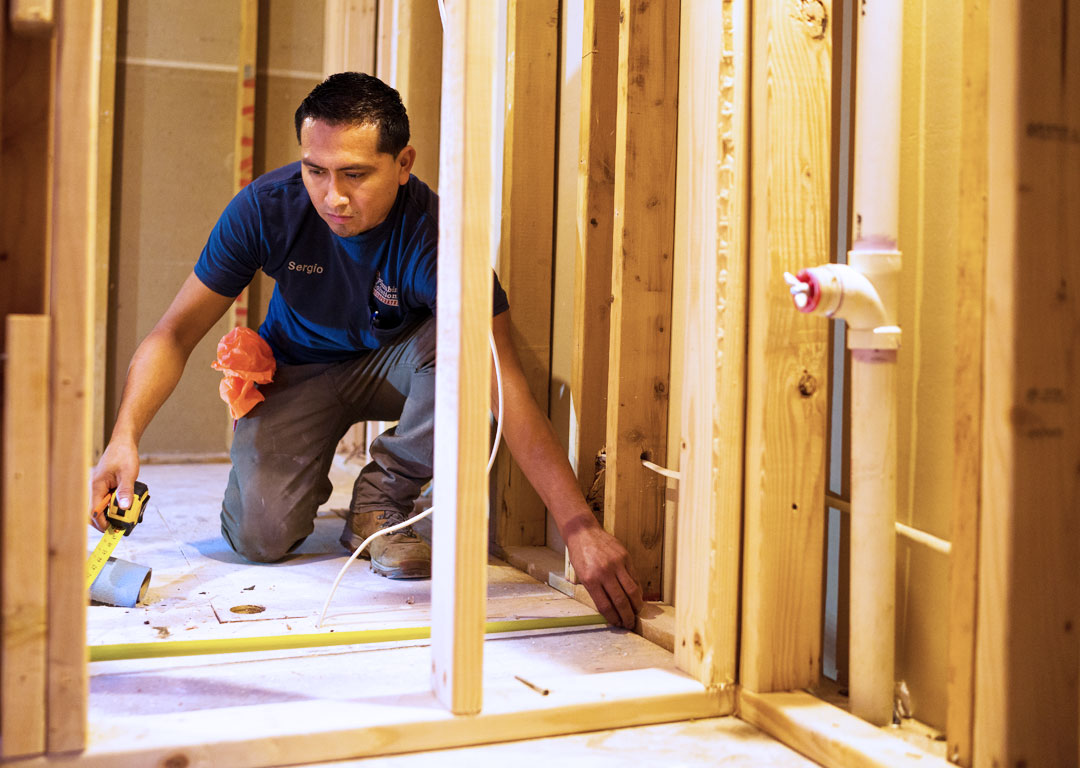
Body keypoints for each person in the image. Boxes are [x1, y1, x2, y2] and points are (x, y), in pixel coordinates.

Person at [89, 72, 643, 628]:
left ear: (403, 164)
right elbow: (174, 333)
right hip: (297, 370)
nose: (333, 196)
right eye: (315, 170)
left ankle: (382, 495)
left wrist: (578, 527)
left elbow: (505, 381)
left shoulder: (439, 240)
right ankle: (283, 457)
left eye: (355, 174)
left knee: (462, 349)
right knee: (259, 538)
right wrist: (124, 437)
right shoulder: (266, 209)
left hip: (399, 366)